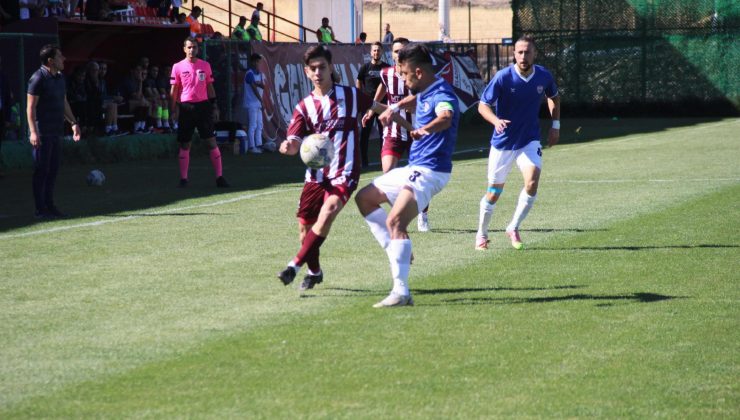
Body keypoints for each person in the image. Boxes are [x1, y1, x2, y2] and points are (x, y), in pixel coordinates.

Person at [276, 45, 396, 291]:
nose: (318, 72)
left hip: (346, 172)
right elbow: (294, 142)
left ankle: (293, 266)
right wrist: (287, 147)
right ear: (307, 73)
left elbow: (381, 109)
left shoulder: (351, 95)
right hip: (316, 177)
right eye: (313, 69)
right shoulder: (303, 107)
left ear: (331, 68)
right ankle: (315, 271)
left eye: (322, 67)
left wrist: (409, 126)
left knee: (329, 211)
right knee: (305, 229)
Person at [355, 43, 460, 308]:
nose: (402, 78)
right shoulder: (424, 90)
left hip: (431, 170)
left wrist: (426, 129)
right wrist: (395, 107)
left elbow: (445, 116)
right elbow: (415, 100)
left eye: (404, 74)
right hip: (415, 166)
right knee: (365, 198)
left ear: (419, 73)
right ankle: (396, 249)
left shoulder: (441, 92)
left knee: (395, 222)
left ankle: (401, 292)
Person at [474, 35, 560, 251]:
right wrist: (496, 121)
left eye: (527, 52)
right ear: (514, 54)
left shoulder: (543, 76)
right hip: (503, 143)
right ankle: (481, 234)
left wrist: (555, 125)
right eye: (520, 52)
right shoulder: (503, 77)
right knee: (493, 193)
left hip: (529, 140)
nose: (523, 56)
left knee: (532, 182)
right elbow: (483, 105)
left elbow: (554, 97)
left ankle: (513, 226)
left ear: (534, 54)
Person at [368, 37, 431, 232]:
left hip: (415, 132)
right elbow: (384, 88)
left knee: (420, 176)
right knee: (387, 173)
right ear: (391, 53)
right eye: (395, 51)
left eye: (402, 51)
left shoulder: (416, 75)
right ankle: (399, 213)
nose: (398, 54)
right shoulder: (385, 73)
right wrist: (372, 109)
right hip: (393, 132)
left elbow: (418, 98)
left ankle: (423, 214)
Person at [26, 44, 82, 218]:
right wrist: (33, 132)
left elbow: (63, 102)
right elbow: (30, 108)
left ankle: (50, 206)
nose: (63, 59)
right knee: (41, 170)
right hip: (43, 132)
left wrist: (73, 122)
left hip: (56, 131)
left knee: (53, 170)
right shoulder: (37, 78)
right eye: (60, 56)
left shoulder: (59, 78)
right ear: (50, 61)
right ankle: (40, 209)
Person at [170, 37, 229, 188]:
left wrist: (214, 106)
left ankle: (220, 177)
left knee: (211, 141)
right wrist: (173, 109)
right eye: (189, 47)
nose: (192, 50)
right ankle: (183, 179)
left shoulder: (205, 65)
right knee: (185, 144)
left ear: (198, 49)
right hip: (186, 108)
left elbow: (210, 87)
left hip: (203, 107)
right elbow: (174, 90)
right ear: (184, 49)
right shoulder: (177, 67)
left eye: (194, 47)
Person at [356, 41, 390, 167]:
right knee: (365, 135)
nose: (376, 52)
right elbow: (359, 81)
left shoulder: (386, 68)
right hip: (368, 106)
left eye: (378, 50)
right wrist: (360, 97)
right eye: (374, 50)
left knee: (384, 134)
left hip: (383, 106)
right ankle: (364, 162)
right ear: (371, 52)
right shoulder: (365, 68)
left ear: (382, 52)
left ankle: (384, 161)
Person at [242, 53, 264, 153]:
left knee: (260, 124)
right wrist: (261, 100)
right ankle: (251, 146)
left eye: (259, 62)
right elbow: (253, 88)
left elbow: (263, 86)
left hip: (258, 103)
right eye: (258, 62)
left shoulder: (259, 73)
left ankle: (259, 145)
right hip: (252, 103)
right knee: (253, 125)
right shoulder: (249, 73)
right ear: (254, 62)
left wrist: (260, 84)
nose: (259, 64)